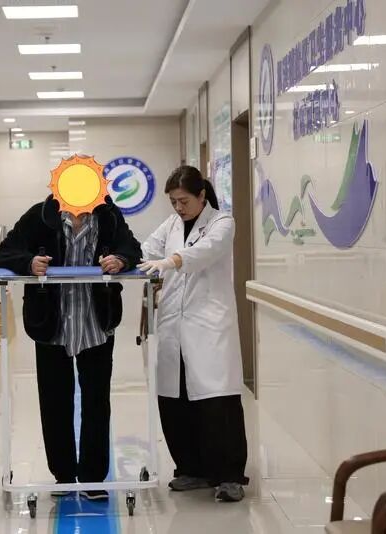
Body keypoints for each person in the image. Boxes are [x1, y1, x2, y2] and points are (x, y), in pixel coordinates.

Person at [0, 194, 142, 501]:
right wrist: (28, 263)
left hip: (96, 323)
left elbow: (132, 248)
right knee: (54, 402)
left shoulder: (108, 216)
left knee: (96, 403)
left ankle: (93, 479)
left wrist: (120, 260)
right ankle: (62, 475)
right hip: (52, 324)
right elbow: (6, 252)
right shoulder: (40, 215)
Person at [138, 165, 249, 503]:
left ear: (202, 196)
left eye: (183, 201)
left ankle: (229, 476)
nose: (178, 208)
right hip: (174, 324)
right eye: (173, 202)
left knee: (217, 403)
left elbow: (205, 252)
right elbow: (147, 248)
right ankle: (191, 469)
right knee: (176, 400)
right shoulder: (171, 224)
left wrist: (170, 261)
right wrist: (123, 258)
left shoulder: (222, 222)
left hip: (209, 326)